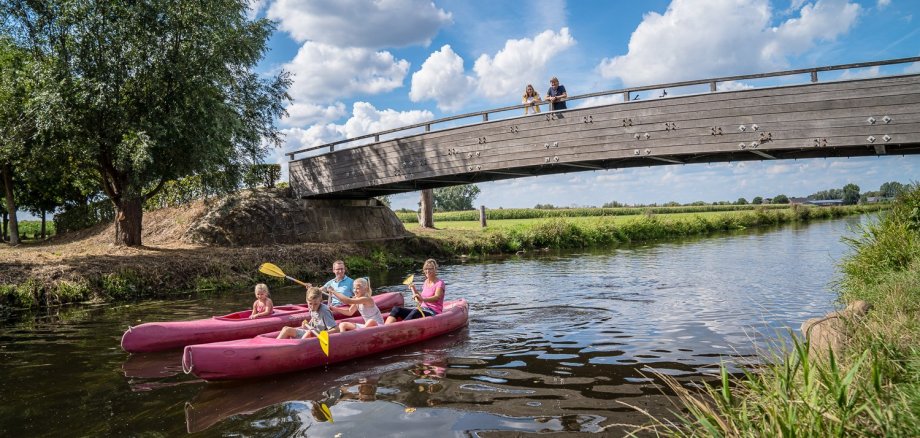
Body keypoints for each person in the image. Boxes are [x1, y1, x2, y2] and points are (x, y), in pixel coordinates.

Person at [385, 259, 445, 324]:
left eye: (430, 269)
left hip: (433, 311)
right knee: (396, 309)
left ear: (435, 269)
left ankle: (400, 328)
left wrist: (422, 299)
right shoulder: (426, 282)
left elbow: (437, 297)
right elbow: (422, 297)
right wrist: (414, 289)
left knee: (416, 312)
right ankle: (385, 328)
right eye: (426, 269)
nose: (427, 271)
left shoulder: (440, 283)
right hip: (422, 309)